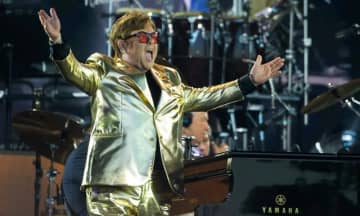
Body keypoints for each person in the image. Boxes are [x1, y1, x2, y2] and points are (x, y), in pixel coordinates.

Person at [38, 7, 284, 215]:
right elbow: (75, 71)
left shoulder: (169, 78)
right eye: (144, 38)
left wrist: (248, 82)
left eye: (155, 38)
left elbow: (205, 97)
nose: (152, 43)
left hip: (157, 189)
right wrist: (57, 42)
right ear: (123, 44)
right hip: (113, 188)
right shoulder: (105, 69)